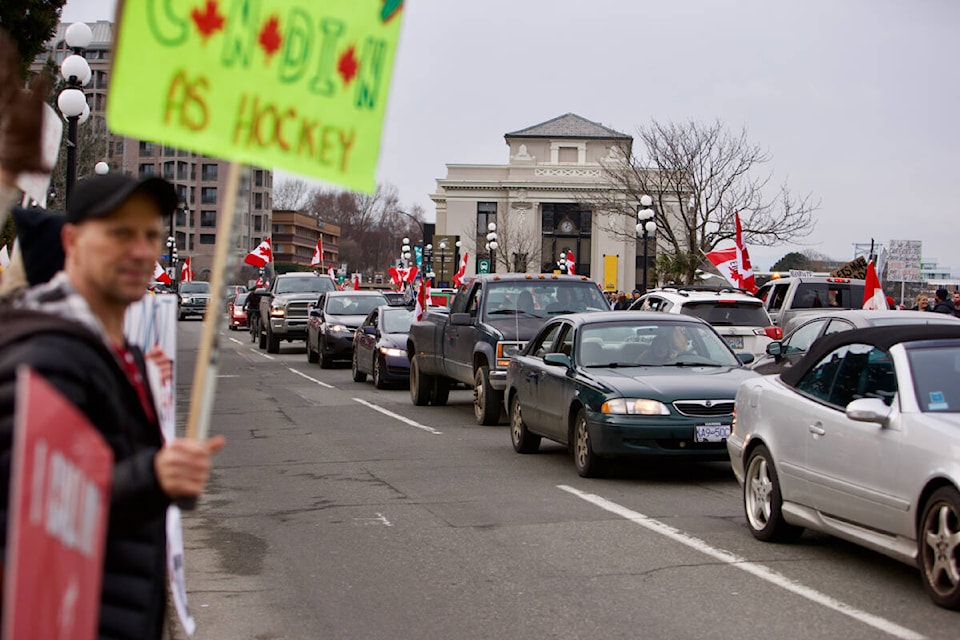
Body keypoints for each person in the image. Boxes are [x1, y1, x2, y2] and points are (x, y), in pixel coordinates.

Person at [0, 169, 226, 638]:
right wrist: (154, 477)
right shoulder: (48, 358)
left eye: (151, 235)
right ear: (72, 241)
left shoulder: (110, 351)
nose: (142, 251)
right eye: (120, 233)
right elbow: (27, 515)